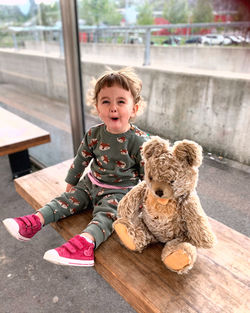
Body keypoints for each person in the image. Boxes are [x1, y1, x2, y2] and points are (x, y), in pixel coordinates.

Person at [3, 67, 149, 267]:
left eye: (121, 102)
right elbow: (81, 158)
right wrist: (72, 182)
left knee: (106, 217)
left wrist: (144, 202)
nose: (112, 108)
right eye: (106, 101)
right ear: (97, 108)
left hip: (119, 193)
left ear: (134, 109)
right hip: (91, 183)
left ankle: (86, 244)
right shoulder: (94, 134)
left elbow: (148, 176)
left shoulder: (140, 141)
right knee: (64, 200)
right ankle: (34, 222)